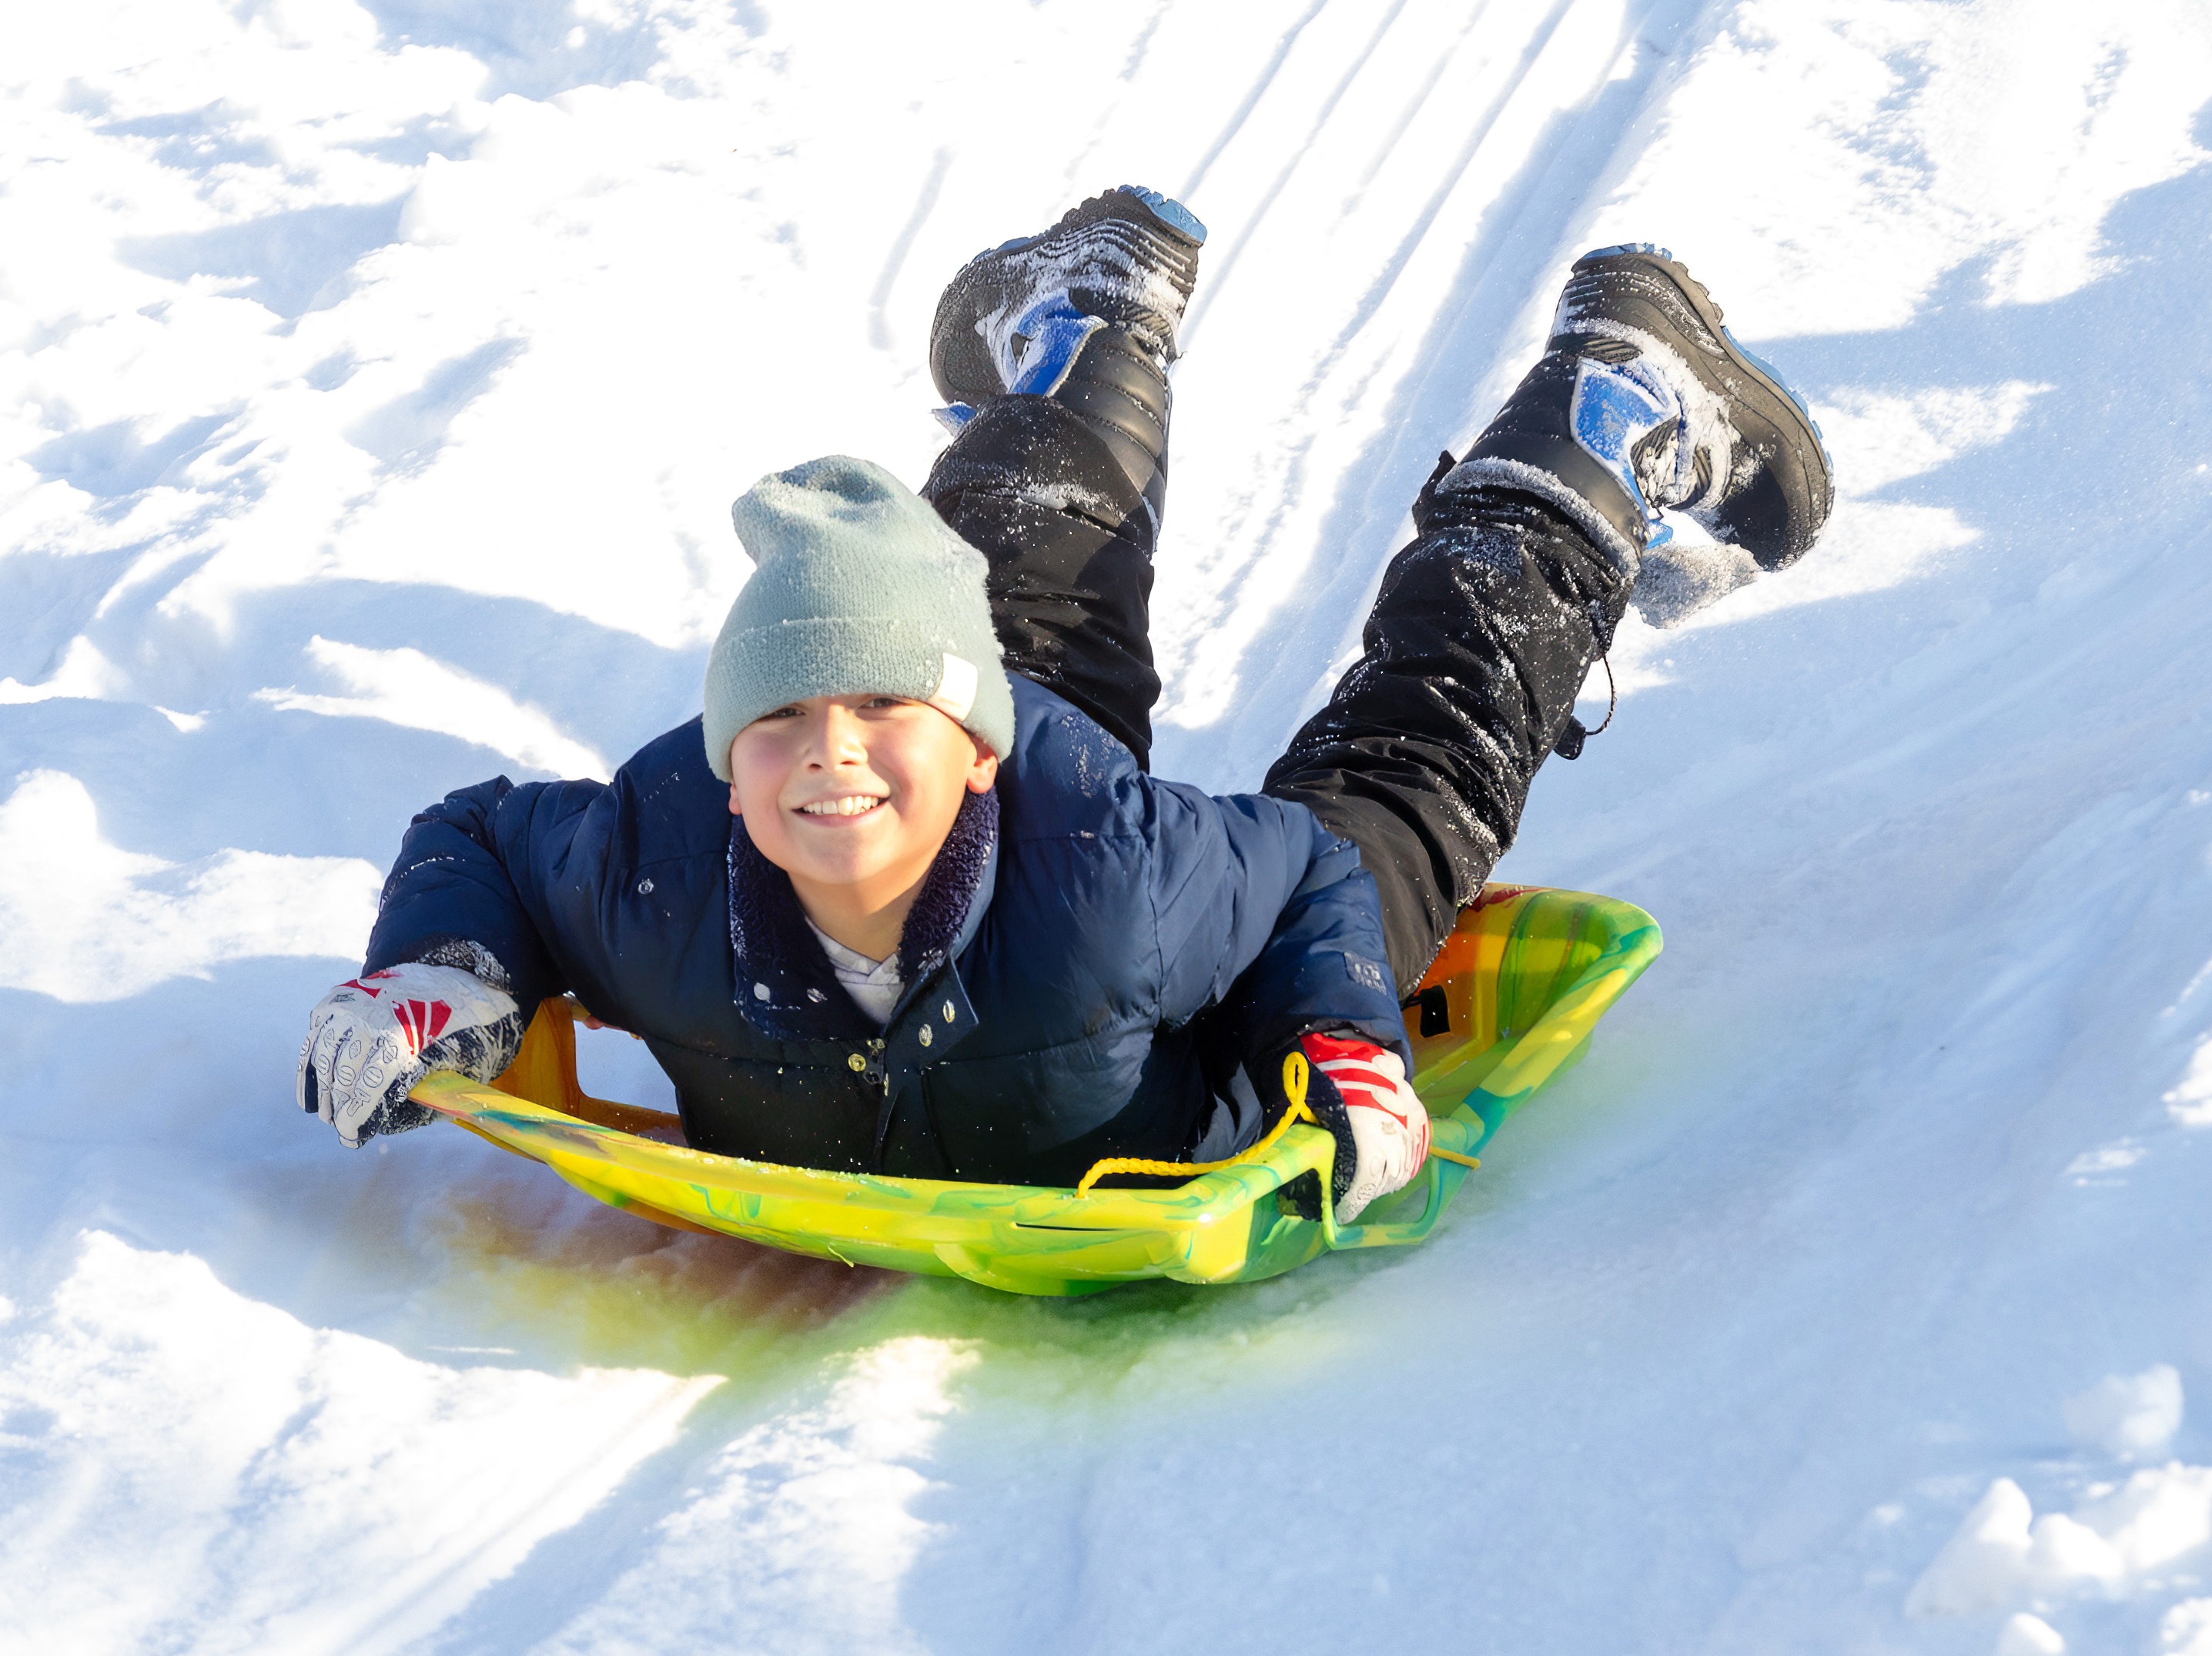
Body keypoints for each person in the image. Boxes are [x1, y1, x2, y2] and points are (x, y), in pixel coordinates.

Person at [296, 186, 1831, 1223]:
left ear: (977, 756)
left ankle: (1609, 409)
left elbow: (1298, 880)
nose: (825, 748)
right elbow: (482, 836)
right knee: (1002, 592)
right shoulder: (657, 861)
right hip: (985, 745)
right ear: (724, 765)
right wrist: (440, 970)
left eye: (874, 711)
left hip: (1106, 908)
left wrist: (1345, 1037)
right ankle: (1099, 317)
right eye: (775, 725)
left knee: (1407, 774)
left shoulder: (1126, 879)